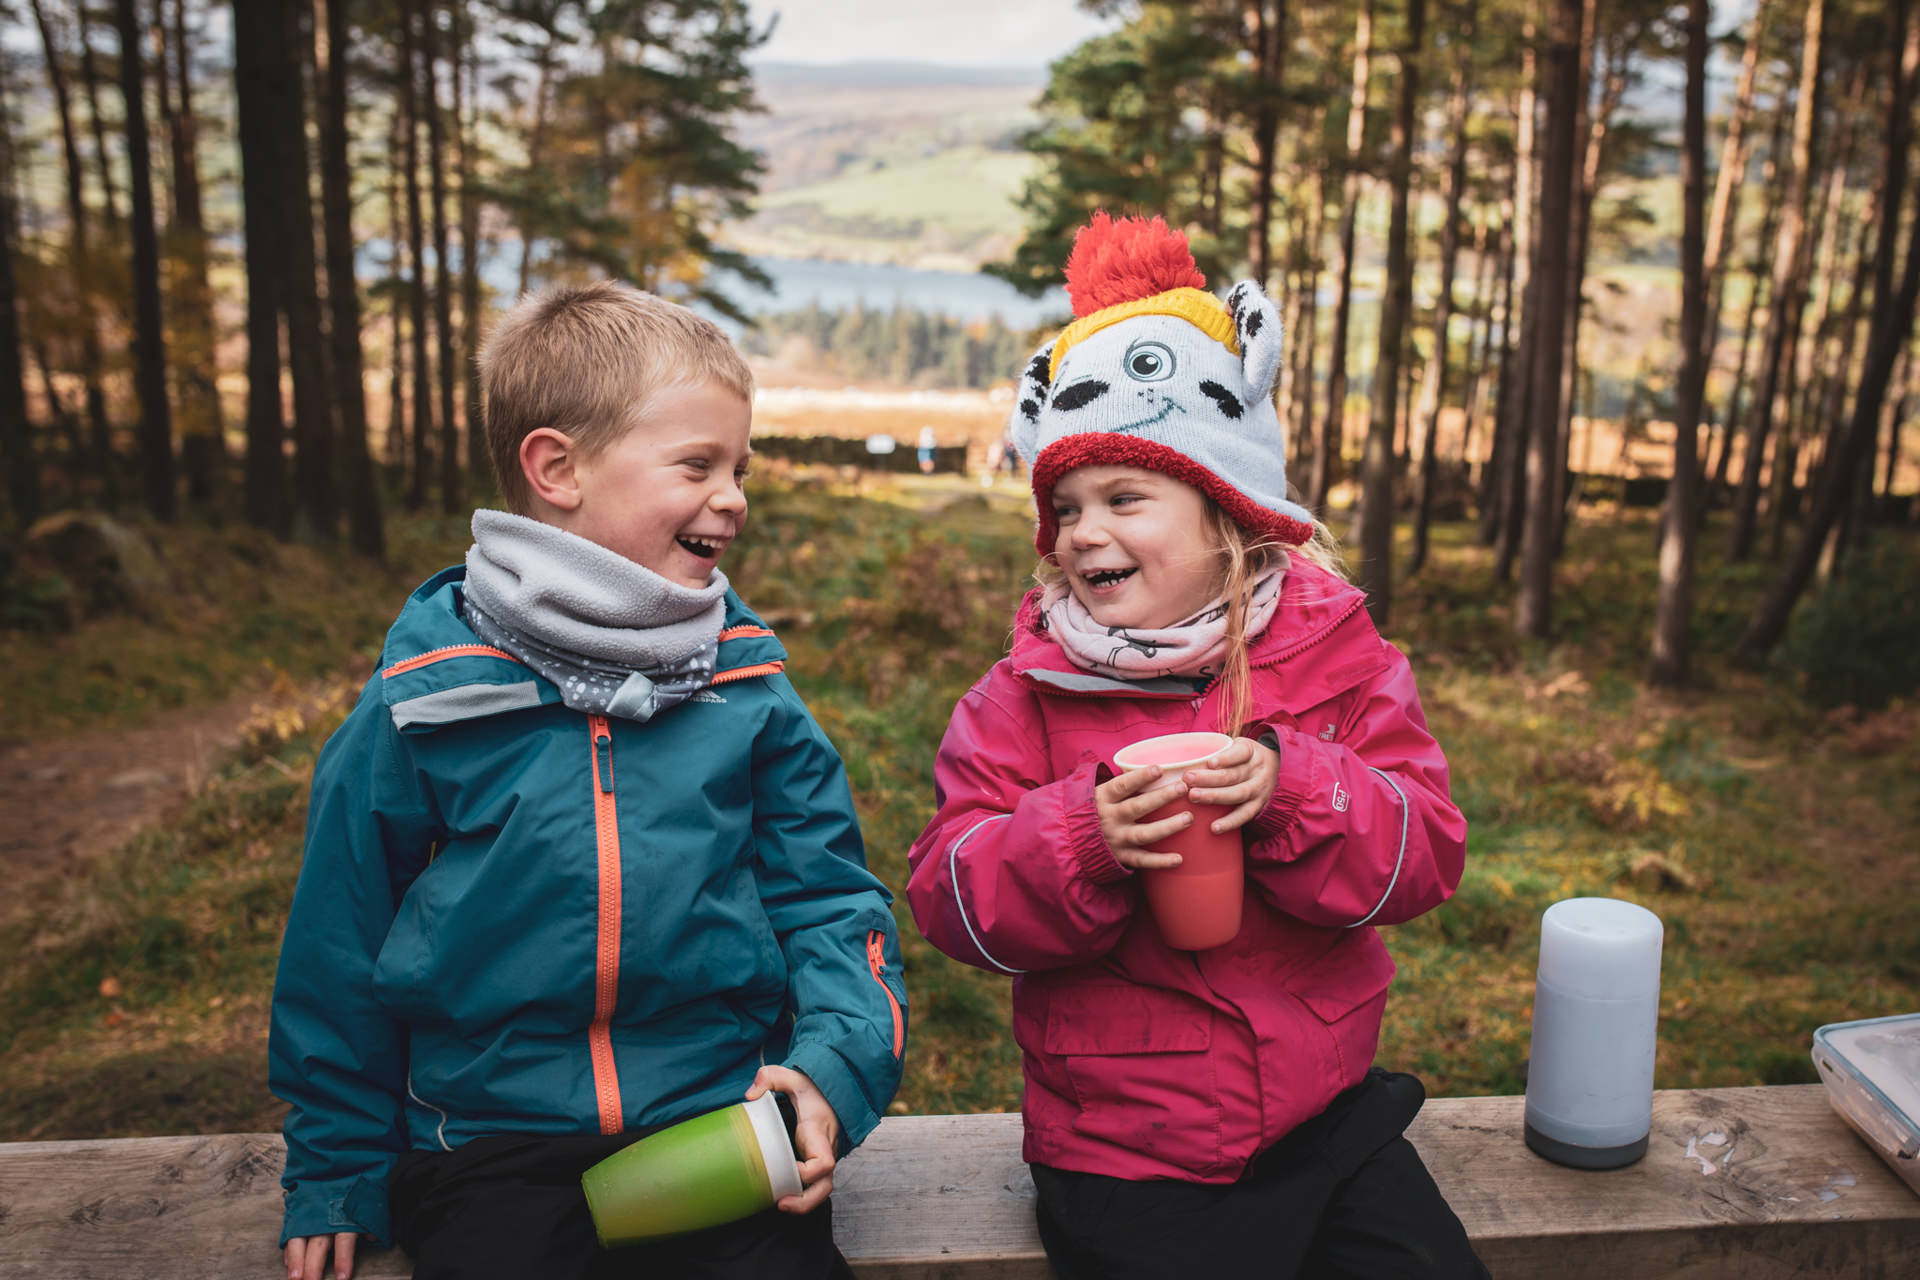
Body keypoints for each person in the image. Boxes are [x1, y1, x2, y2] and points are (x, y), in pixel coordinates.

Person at [271, 280, 907, 1280]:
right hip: (487, 1142)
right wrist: (338, 1162)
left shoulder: (749, 692)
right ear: (556, 467)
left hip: (721, 1118)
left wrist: (829, 1071)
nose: (734, 496)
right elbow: (338, 936)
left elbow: (831, 901)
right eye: (697, 464)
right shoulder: (426, 699)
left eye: (739, 467)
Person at [905, 213, 1485, 1279]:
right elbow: (951, 902)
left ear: (1226, 510)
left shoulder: (1337, 655)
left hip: (1329, 1119)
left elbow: (1427, 852)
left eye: (1126, 496)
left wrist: (1296, 786)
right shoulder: (1019, 696)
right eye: (1066, 506)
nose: (1083, 531)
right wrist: (1080, 835)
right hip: (1126, 1147)